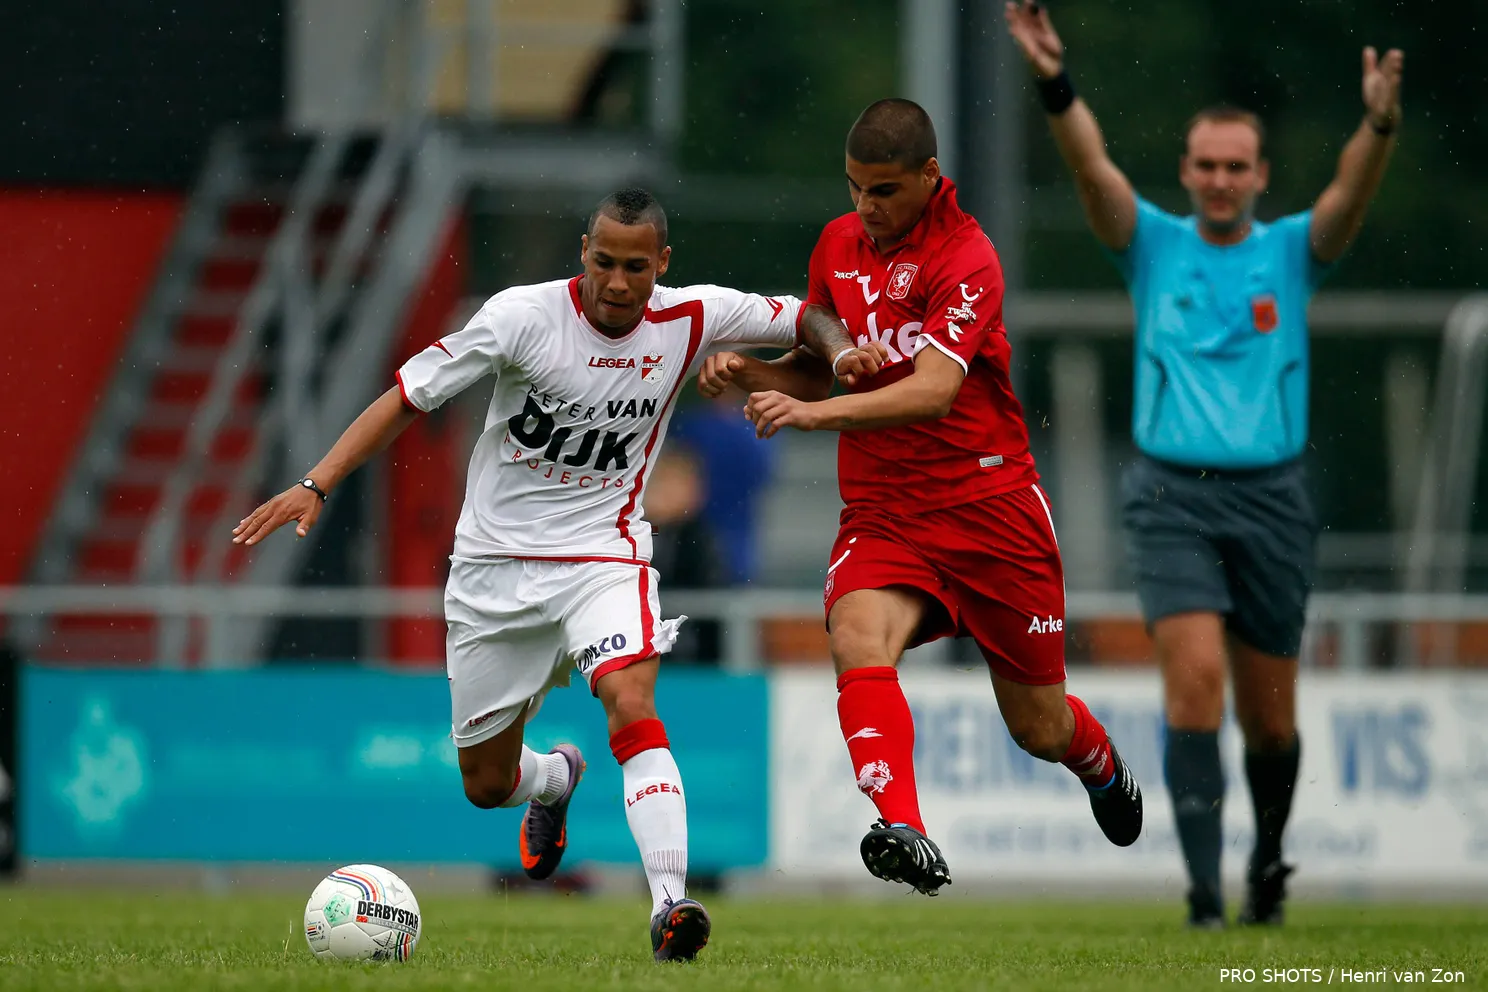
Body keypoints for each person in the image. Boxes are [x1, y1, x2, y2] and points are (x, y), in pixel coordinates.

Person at [232, 188, 878, 961]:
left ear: (660, 265)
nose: (616, 281)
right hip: (493, 569)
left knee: (630, 699)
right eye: (603, 260)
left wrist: (838, 353)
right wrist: (317, 481)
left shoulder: (692, 316)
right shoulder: (520, 318)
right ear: (584, 250)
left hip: (604, 557)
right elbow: (407, 395)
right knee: (483, 782)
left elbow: (806, 313)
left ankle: (670, 905)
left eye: (634, 267)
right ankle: (551, 779)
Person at [1003, 0, 1404, 927]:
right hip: (1169, 496)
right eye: (1206, 166)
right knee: (1194, 682)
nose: (1220, 181)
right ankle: (1200, 896)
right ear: (1185, 172)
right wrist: (1055, 80)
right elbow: (1091, 167)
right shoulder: (1152, 244)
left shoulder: (1292, 253)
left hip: (1275, 496)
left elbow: (1349, 193)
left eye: (1236, 167)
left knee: (1271, 716)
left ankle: (1266, 860)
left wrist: (1378, 122)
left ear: (1260, 176)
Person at [701, 98, 1144, 897]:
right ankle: (901, 825)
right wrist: (753, 372)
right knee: (856, 632)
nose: (864, 210)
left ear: (929, 178)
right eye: (853, 189)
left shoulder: (969, 257)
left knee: (1037, 727)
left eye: (883, 192)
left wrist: (810, 414)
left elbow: (936, 389)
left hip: (990, 508)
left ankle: (1099, 762)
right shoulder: (838, 244)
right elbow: (823, 366)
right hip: (885, 511)